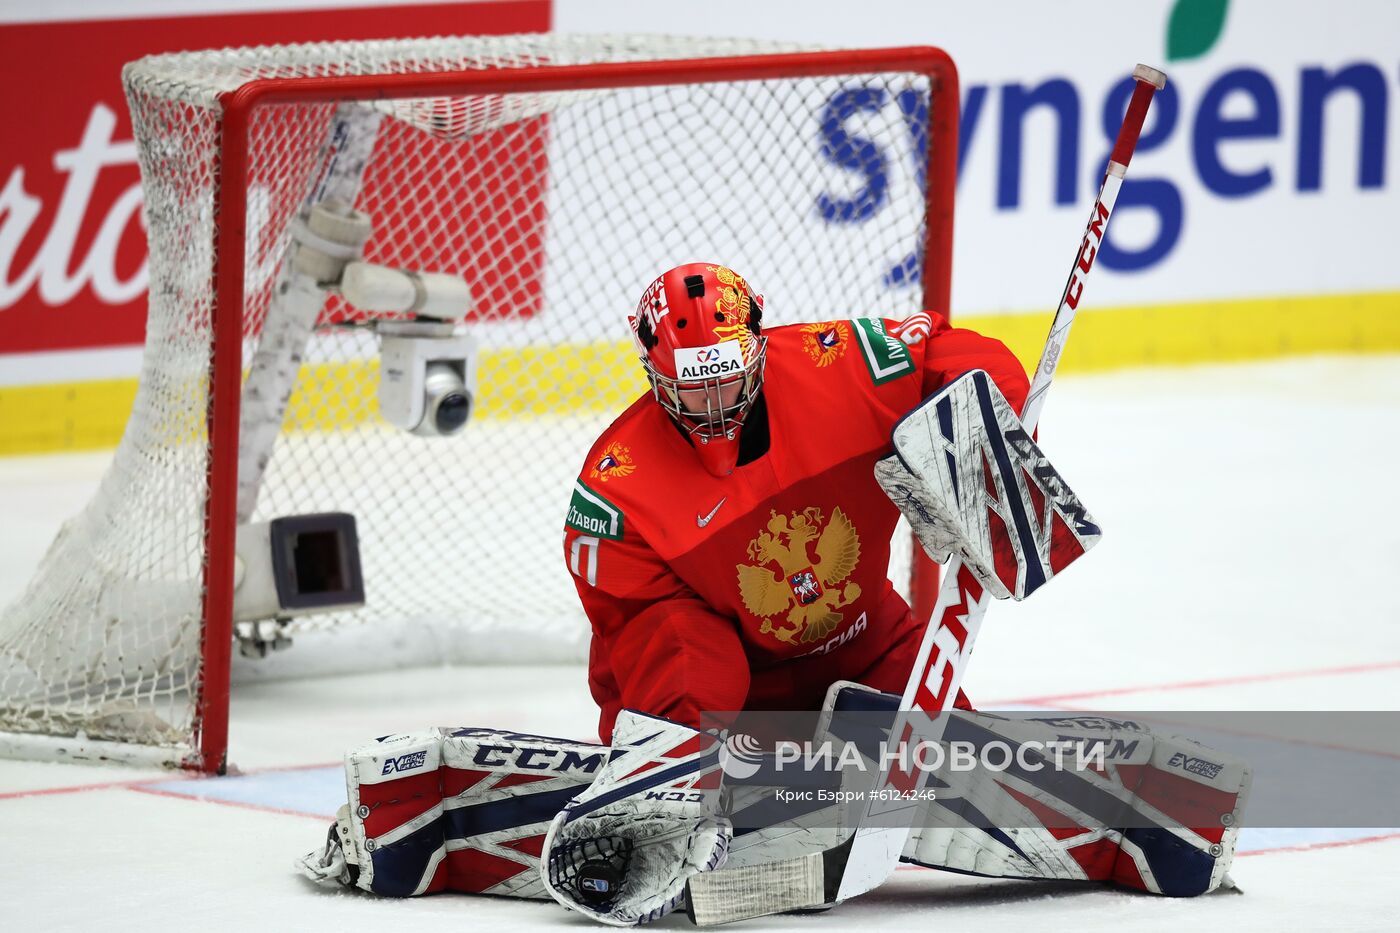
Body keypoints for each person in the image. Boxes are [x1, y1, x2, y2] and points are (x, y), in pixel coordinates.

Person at [562, 261, 1030, 741]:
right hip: (737, 694)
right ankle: (679, 772)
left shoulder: (837, 365)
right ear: (653, 374)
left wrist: (987, 445)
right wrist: (659, 748)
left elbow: (959, 356)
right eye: (692, 389)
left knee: (960, 760)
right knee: (685, 660)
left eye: (727, 379)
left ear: (758, 347)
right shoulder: (615, 491)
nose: (716, 403)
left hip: (865, 642)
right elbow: (639, 645)